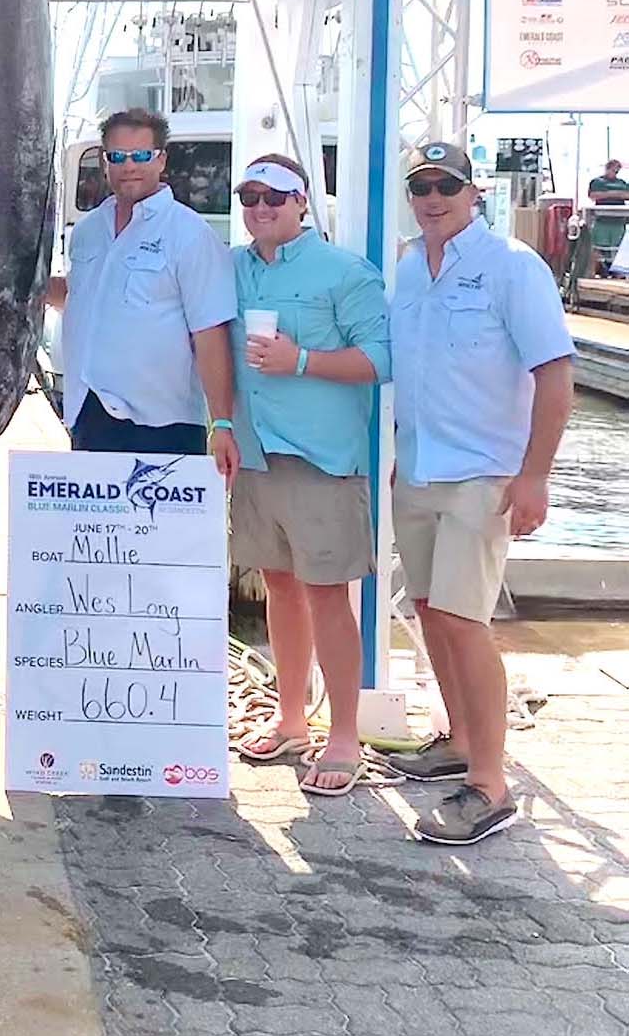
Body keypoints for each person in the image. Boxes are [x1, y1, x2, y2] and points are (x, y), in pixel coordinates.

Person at [387, 142, 575, 845]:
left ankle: (491, 787)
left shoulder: (513, 267)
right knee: (430, 609)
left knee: (465, 620)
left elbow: (555, 375)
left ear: (475, 193)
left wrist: (534, 475)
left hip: (483, 474)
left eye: (447, 185)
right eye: (421, 186)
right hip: (419, 468)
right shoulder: (410, 267)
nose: (433, 198)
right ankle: (460, 740)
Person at [222, 156, 390, 796]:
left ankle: (344, 736)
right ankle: (291, 718)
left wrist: (300, 361)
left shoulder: (347, 271)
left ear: (302, 202)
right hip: (256, 455)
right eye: (250, 196)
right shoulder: (231, 268)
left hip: (323, 459)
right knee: (279, 587)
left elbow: (380, 359)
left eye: (275, 196)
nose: (261, 207)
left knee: (327, 595)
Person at [46, 109, 237, 477]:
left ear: (161, 160)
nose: (129, 166)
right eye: (117, 156)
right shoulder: (87, 231)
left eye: (141, 155)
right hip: (89, 417)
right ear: (105, 162)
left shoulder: (190, 234)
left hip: (164, 426)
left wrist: (223, 424)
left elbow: (210, 334)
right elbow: (81, 298)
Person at [588, 158, 629, 273]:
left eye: (617, 171)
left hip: (618, 220)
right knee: (599, 246)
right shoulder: (597, 182)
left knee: (617, 248)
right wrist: (616, 194)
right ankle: (598, 270)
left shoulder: (622, 183)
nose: (615, 173)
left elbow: (627, 195)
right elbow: (593, 195)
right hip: (602, 220)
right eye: (613, 170)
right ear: (607, 168)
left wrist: (608, 194)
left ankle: (617, 271)